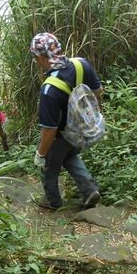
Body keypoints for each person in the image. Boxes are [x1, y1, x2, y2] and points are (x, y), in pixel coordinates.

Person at [30, 32, 102, 210]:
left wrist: (40, 154)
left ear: (40, 57)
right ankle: (90, 190)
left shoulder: (49, 90)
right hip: (83, 127)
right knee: (70, 156)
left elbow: (50, 130)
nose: (36, 61)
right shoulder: (81, 64)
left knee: (48, 166)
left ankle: (53, 202)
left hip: (62, 134)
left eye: (35, 57)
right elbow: (98, 91)